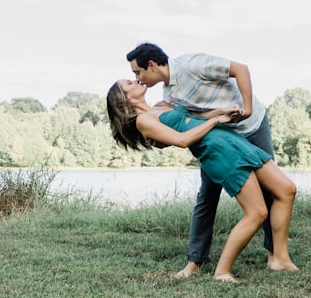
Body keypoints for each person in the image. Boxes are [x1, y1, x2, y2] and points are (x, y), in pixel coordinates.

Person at [106, 78, 297, 282]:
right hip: (217, 151)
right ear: (124, 98)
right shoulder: (143, 121)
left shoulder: (161, 105)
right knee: (257, 213)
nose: (136, 80)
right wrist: (215, 121)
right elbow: (183, 139)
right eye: (129, 83)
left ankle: (280, 259)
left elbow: (194, 117)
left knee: (287, 189)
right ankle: (222, 272)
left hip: (231, 140)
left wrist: (220, 113)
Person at [126, 42, 277, 278]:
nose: (137, 78)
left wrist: (246, 108)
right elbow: (189, 123)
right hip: (220, 139)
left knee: (270, 191)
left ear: (152, 65)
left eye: (138, 72)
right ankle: (195, 261)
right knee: (207, 196)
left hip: (251, 126)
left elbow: (241, 69)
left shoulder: (192, 64)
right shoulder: (168, 95)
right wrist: (217, 119)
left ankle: (274, 254)